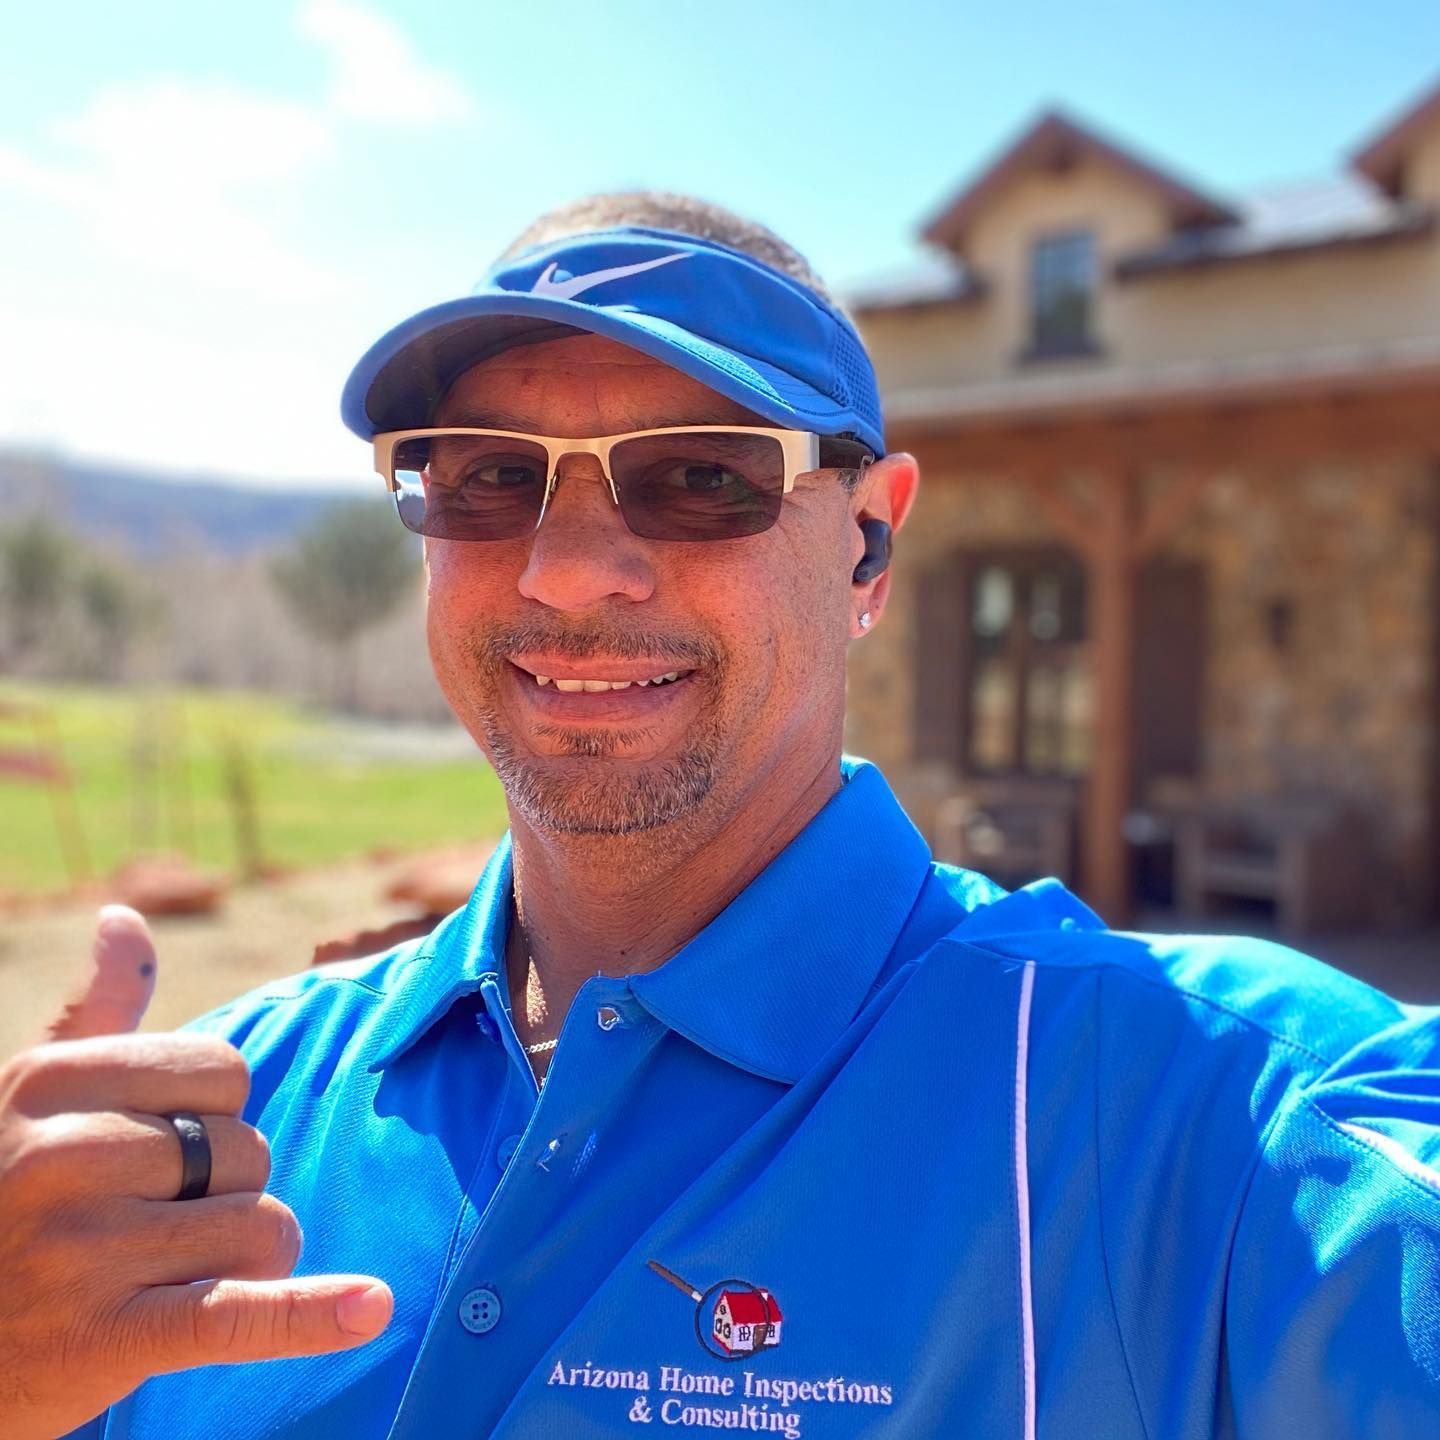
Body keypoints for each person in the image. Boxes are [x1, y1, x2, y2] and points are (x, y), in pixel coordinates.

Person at [3, 192, 1437, 1440]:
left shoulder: (1220, 1123)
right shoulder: (214, 1117)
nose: (570, 572)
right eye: (489, 477)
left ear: (869, 542)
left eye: (702, 476)